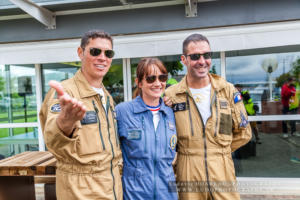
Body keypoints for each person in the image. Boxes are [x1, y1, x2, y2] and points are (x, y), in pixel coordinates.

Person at [164, 33, 252, 200]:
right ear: (184, 59)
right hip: (188, 170)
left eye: (207, 55)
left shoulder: (227, 90)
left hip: (222, 169)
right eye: (195, 56)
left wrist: (218, 151)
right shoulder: (171, 95)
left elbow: (244, 133)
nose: (202, 61)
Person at [39, 30, 122, 200]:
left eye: (108, 53)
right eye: (95, 51)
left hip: (112, 187)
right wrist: (64, 122)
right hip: (81, 191)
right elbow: (52, 140)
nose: (102, 57)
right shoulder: (66, 92)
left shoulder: (106, 96)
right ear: (80, 53)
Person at [115, 58, 178, 200]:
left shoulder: (171, 113)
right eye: (150, 79)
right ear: (139, 83)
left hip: (168, 194)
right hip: (135, 194)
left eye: (162, 78)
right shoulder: (123, 112)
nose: (157, 83)